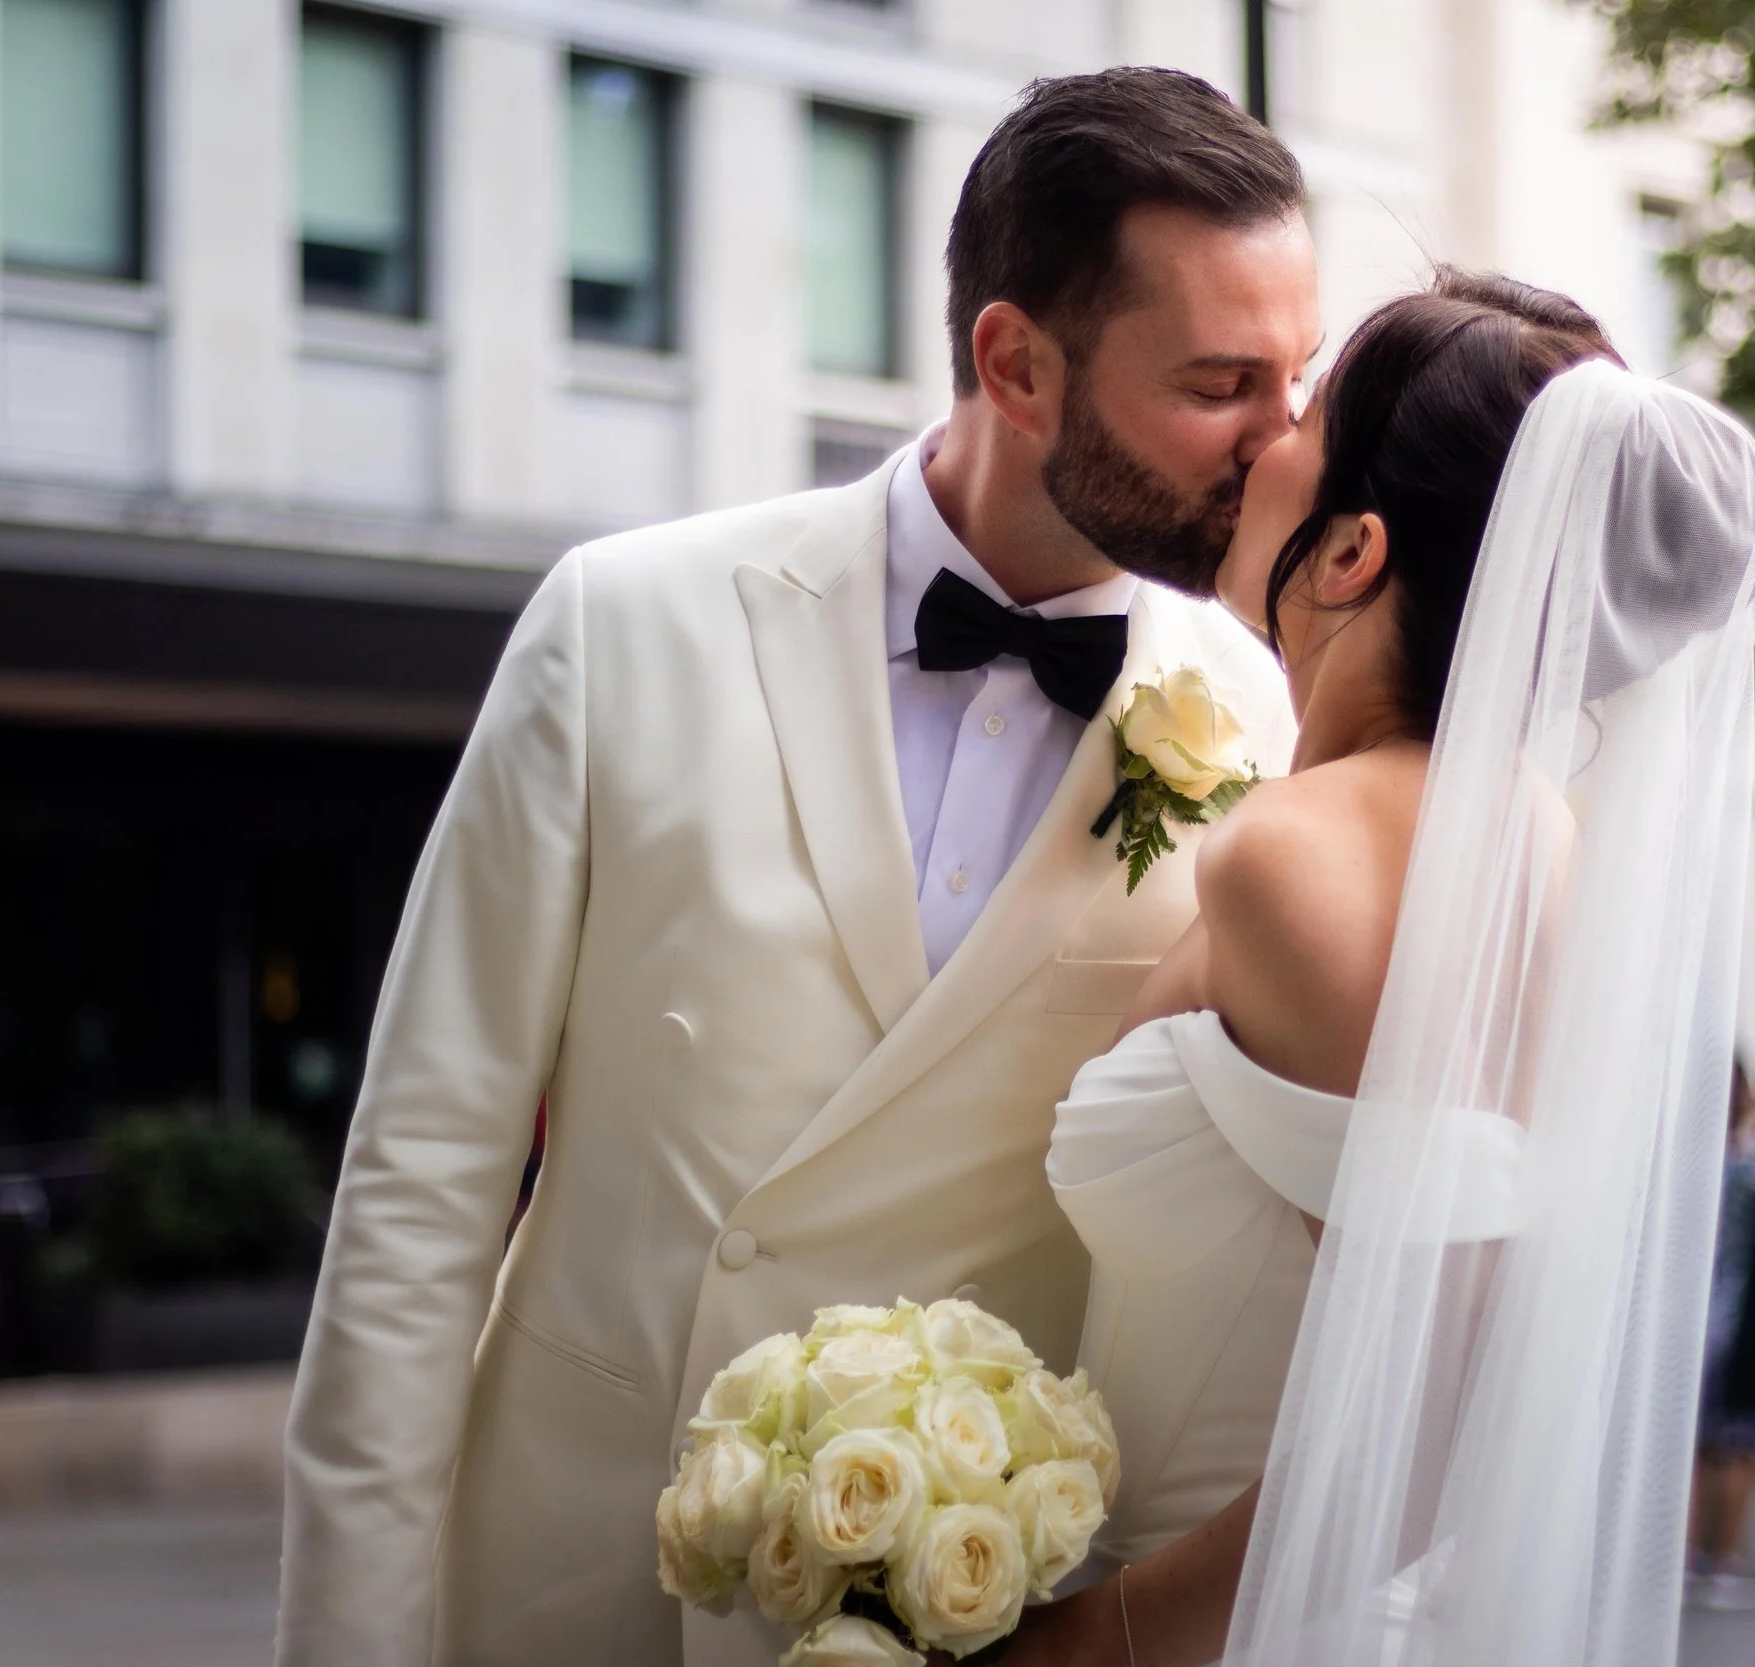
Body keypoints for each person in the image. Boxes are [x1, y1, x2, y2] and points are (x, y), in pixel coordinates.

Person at [275, 69, 1310, 1667]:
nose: (1280, 444)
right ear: (1015, 362)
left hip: (983, 1594)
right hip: (583, 1575)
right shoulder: (622, 622)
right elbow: (422, 1183)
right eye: (1221, 383)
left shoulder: (1259, 714)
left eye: (1296, 379)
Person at [1014, 272, 1755, 1663]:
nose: (1267, 430)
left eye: (1312, 403)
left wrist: (1085, 1643)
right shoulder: (1532, 834)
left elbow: (1447, 1395)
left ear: (1353, 551)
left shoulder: (1306, 850)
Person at [1688, 1061, 1755, 1610]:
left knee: (1695, 1448)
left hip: (1692, 1324)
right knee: (1741, 1447)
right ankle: (1724, 1561)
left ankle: (1684, 1558)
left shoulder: (1683, 1172)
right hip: (1740, 1319)